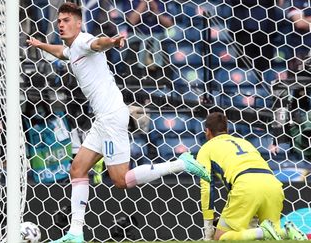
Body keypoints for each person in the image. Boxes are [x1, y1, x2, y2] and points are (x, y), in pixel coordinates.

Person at [26, 3, 210, 242]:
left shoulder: (84, 41)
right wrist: (41, 45)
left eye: (66, 20)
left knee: (121, 180)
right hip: (102, 120)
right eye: (59, 21)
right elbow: (62, 52)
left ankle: (181, 164)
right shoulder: (72, 48)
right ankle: (75, 233)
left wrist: (112, 43)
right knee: (77, 170)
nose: (61, 24)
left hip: (112, 118)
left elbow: (97, 43)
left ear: (79, 23)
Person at [196, 112, 307, 241]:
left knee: (221, 237)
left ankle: (262, 232)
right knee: (273, 235)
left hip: (245, 187)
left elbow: (207, 187)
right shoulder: (245, 142)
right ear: (227, 130)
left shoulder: (205, 149)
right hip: (272, 184)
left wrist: (208, 223)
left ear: (207, 131)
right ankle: (287, 232)